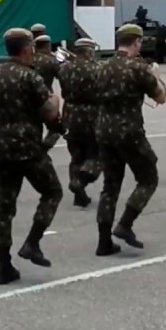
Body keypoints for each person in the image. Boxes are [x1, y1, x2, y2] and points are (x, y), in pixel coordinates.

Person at [0, 28, 64, 285]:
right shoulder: (30, 77)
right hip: (27, 148)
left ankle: (4, 264)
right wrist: (56, 102)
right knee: (52, 192)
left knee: (4, 208)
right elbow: (50, 114)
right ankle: (32, 242)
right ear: (27, 49)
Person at [94, 23, 166, 256]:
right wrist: (155, 76)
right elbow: (161, 98)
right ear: (137, 42)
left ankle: (103, 241)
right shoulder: (138, 67)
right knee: (148, 178)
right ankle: (125, 224)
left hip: (104, 131)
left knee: (110, 186)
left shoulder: (102, 66)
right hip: (130, 131)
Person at [56, 37, 102, 208]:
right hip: (92, 115)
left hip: (70, 113)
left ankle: (79, 195)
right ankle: (80, 182)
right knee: (96, 154)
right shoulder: (97, 69)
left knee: (76, 156)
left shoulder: (64, 69)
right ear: (89, 51)